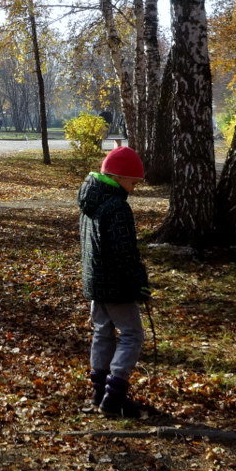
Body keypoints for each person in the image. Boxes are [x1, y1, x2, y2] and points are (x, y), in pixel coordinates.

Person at [78, 145, 151, 418]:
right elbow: (126, 253)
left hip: (95, 282)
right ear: (119, 177)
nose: (135, 187)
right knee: (132, 335)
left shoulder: (90, 200)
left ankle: (99, 393)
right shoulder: (117, 207)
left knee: (103, 333)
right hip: (117, 285)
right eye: (133, 181)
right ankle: (115, 395)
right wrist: (139, 283)